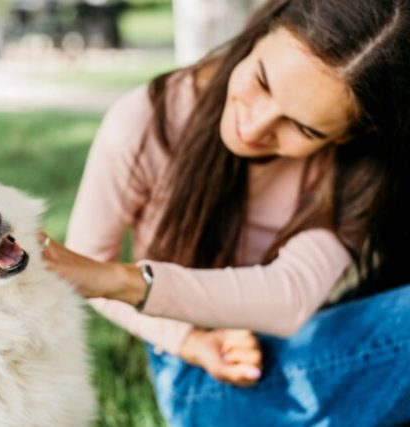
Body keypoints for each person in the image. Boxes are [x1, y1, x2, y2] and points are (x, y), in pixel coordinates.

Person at [40, 0, 410, 425]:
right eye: (263, 82)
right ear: (263, 29)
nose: (254, 128)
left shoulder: (353, 168)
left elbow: (290, 296)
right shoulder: (144, 121)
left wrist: (126, 280)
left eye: (304, 128)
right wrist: (189, 339)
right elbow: (88, 271)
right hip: (208, 369)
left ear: (349, 135)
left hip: (310, 348)